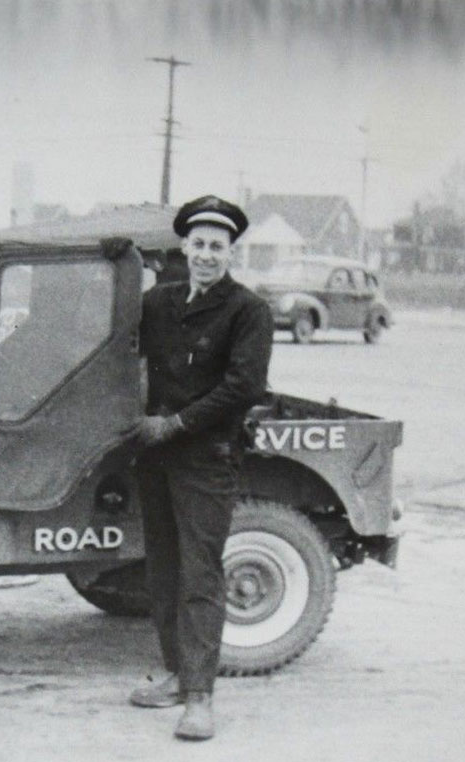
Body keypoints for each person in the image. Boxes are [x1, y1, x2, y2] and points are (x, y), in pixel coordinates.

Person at [130, 195, 273, 741]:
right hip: (157, 456)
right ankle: (176, 674)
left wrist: (176, 423)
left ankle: (200, 698)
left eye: (217, 246)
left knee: (200, 575)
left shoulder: (248, 311)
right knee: (163, 571)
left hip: (206, 460)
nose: (207, 255)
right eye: (199, 244)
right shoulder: (160, 301)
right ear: (185, 248)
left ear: (230, 253)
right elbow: (123, 345)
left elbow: (244, 387)